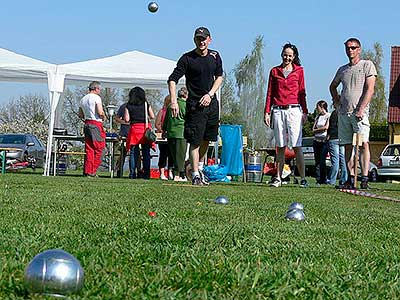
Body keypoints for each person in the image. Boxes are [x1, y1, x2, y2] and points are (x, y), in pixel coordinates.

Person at [168, 26, 223, 186]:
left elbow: (219, 77)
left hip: (211, 104)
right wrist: (173, 101)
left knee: (207, 139)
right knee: (195, 141)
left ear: (209, 39)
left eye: (204, 38)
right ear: (194, 40)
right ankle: (195, 174)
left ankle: (194, 165)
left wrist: (210, 94)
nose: (201, 41)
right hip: (195, 106)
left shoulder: (215, 56)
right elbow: (172, 80)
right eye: (198, 38)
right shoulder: (187, 58)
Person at [329, 38, 377, 189]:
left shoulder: (367, 65)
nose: (350, 50)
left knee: (363, 145)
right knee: (347, 146)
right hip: (344, 113)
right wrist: (337, 102)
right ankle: (349, 178)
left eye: (353, 47)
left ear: (359, 49)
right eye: (348, 48)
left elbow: (370, 89)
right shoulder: (343, 69)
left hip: (360, 114)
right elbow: (333, 86)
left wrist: (361, 109)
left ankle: (364, 178)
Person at [264, 43, 309, 188]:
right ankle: (277, 178)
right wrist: (267, 111)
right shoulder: (274, 71)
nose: (287, 57)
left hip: (294, 110)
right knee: (280, 145)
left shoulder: (299, 71)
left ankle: (303, 178)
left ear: (294, 57)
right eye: (285, 54)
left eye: (290, 55)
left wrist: (305, 111)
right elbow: (270, 92)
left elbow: (302, 92)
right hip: (277, 110)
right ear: (281, 54)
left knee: (297, 145)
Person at [124, 87, 155, 179]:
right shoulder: (146, 104)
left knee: (133, 152)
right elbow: (152, 116)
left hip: (134, 129)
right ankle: (146, 174)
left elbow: (127, 119)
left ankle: (132, 173)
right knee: (146, 153)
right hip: (144, 129)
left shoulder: (128, 105)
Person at [78, 81, 106, 177]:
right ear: (96, 89)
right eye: (99, 89)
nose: (100, 91)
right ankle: (93, 171)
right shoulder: (96, 98)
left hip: (87, 124)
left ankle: (87, 171)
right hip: (96, 124)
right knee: (100, 149)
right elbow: (100, 112)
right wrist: (104, 116)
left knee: (89, 149)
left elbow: (80, 114)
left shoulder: (83, 99)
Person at [163, 87, 188, 182]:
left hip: (170, 133)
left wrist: (164, 131)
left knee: (173, 155)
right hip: (181, 133)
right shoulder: (185, 105)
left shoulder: (170, 105)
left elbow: (165, 121)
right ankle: (179, 175)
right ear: (186, 95)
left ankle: (174, 174)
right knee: (180, 156)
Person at [327, 103, 348, 186]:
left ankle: (332, 180)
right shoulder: (344, 113)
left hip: (333, 137)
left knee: (335, 161)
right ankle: (344, 179)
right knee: (343, 160)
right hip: (342, 137)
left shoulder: (334, 113)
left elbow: (330, 126)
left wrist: (328, 135)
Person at [155, 96, 174, 180]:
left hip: (172, 135)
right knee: (163, 154)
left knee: (171, 155)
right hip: (163, 137)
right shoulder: (162, 111)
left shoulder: (174, 111)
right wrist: (162, 131)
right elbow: (157, 124)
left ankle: (170, 172)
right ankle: (162, 173)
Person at [312, 100, 330, 185]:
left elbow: (326, 127)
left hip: (324, 141)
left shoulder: (328, 116)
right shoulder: (317, 117)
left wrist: (318, 130)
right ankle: (318, 179)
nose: (317, 109)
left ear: (322, 107)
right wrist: (318, 130)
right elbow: (313, 129)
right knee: (317, 161)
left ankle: (324, 178)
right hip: (316, 140)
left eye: (318, 107)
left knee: (322, 160)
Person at [114, 102, 130, 177]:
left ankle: (136, 171)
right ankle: (119, 170)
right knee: (122, 153)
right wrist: (124, 122)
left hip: (135, 132)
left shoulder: (140, 106)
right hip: (124, 133)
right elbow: (117, 118)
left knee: (137, 153)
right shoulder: (124, 106)